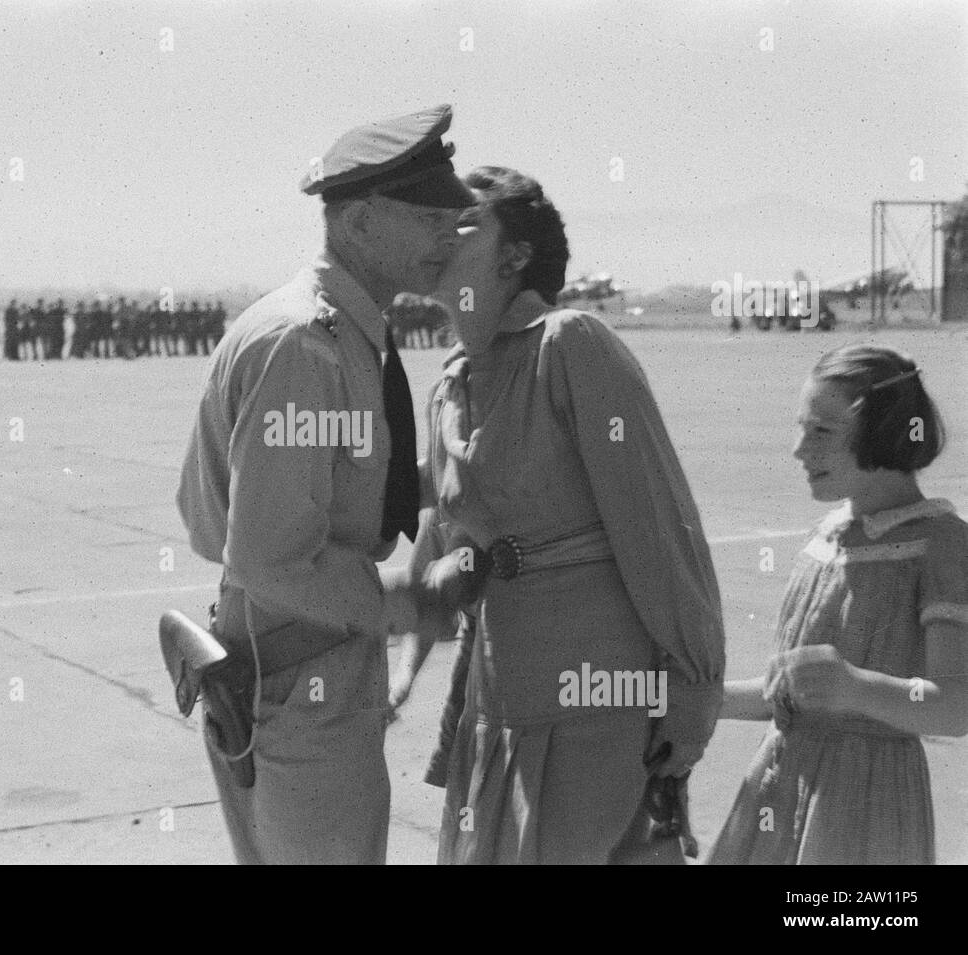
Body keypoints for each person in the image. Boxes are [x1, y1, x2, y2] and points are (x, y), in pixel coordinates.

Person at [393, 166, 726, 865]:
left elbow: (662, 523)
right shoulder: (450, 380)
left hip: (595, 693)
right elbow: (435, 539)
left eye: (463, 220)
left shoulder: (572, 345)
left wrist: (695, 681)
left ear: (514, 256)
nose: (437, 230)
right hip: (501, 695)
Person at [176, 104, 474, 864]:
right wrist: (404, 602)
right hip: (303, 687)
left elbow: (290, 502)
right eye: (431, 214)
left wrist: (443, 478)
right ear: (364, 221)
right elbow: (269, 556)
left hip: (286, 669)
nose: (451, 231)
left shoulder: (330, 331)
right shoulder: (308, 348)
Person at [708, 345, 967, 864]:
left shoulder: (939, 546)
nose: (799, 451)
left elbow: (956, 705)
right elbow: (788, 697)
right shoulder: (827, 537)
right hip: (778, 792)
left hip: (864, 813)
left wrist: (854, 686)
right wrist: (693, 699)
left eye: (821, 432)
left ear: (884, 432)